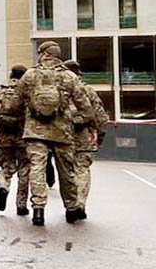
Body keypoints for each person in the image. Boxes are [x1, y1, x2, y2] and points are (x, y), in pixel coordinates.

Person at [16, 41, 95, 226]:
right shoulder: (69, 77)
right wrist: (85, 123)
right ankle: (71, 208)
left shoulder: (30, 75)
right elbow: (85, 106)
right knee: (66, 170)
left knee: (37, 168)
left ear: (42, 53)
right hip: (62, 131)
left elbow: (16, 102)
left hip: (35, 131)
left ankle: (38, 210)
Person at [63, 60, 109, 220]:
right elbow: (101, 116)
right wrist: (100, 136)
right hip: (83, 136)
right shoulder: (87, 90)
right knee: (82, 170)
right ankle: (80, 204)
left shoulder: (58, 89)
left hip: (62, 136)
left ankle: (70, 205)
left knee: (66, 171)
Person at [0, 64, 30, 216]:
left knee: (6, 168)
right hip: (24, 137)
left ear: (11, 74)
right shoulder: (27, 92)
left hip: (4, 137)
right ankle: (21, 205)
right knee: (25, 170)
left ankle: (3, 185)